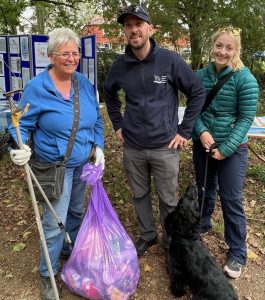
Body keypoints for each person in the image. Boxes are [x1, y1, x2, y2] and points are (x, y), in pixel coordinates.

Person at [8, 27, 104, 300]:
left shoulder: (84, 84)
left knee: (75, 213)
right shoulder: (37, 88)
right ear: (52, 56)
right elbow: (21, 125)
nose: (72, 58)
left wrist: (99, 147)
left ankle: (68, 251)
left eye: (75, 53)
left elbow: (96, 119)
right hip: (53, 169)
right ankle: (47, 273)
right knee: (53, 222)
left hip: (81, 165)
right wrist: (19, 146)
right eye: (65, 54)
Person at [104, 4, 205, 257]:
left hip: (165, 146)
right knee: (139, 195)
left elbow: (197, 92)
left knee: (168, 199)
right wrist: (117, 123)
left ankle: (171, 241)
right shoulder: (120, 65)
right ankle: (147, 235)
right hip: (134, 147)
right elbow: (109, 93)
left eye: (138, 24)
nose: (134, 30)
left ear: (150, 28)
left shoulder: (169, 60)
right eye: (128, 25)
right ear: (125, 32)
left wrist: (184, 131)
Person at [192, 26, 259, 279]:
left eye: (228, 47)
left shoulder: (246, 79)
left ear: (236, 50)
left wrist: (225, 149)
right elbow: (194, 111)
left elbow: (245, 119)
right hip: (204, 145)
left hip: (233, 149)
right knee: (204, 188)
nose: (222, 51)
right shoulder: (199, 76)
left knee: (231, 199)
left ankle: (238, 252)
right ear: (213, 46)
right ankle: (203, 224)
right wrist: (201, 133)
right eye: (219, 45)